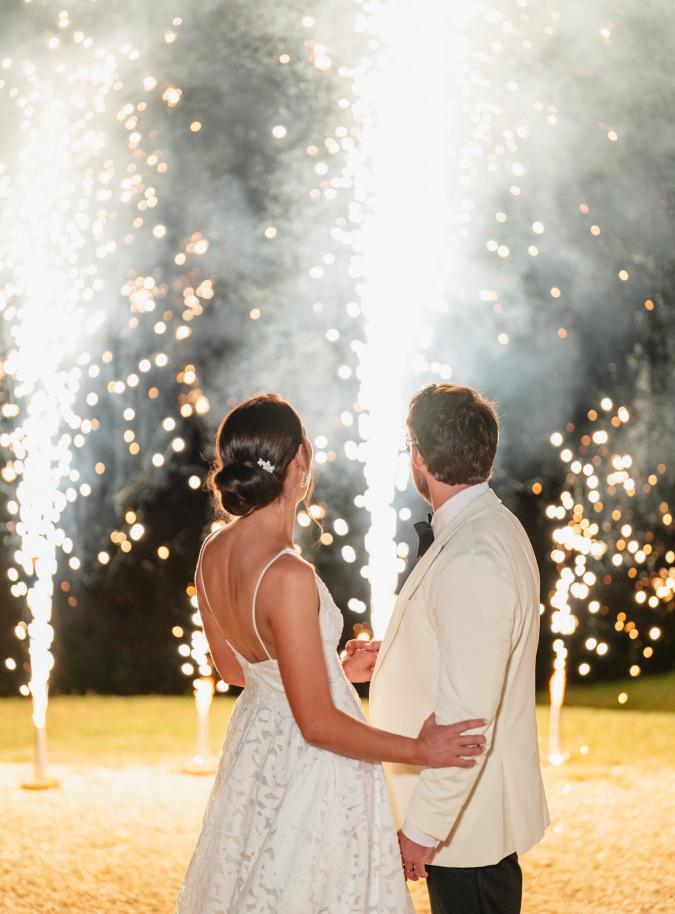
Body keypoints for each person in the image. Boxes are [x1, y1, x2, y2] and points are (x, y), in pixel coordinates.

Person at [174, 393, 487, 914]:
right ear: (302, 458)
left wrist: (332, 668)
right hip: (310, 766)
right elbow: (317, 724)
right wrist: (422, 750)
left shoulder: (213, 550)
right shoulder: (288, 575)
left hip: (256, 754)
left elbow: (235, 670)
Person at [368, 383, 550, 914]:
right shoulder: (488, 526)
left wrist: (423, 829)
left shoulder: (473, 554)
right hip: (468, 820)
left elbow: (466, 724)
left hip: (465, 828)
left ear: (418, 455)